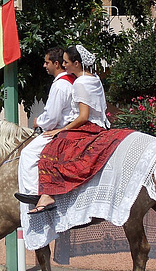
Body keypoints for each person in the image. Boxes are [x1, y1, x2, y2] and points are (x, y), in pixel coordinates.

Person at [30, 44, 132, 212]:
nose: (64, 66)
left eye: (66, 62)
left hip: (89, 126)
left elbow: (83, 116)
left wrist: (61, 130)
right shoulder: (95, 78)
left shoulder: (80, 83)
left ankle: (48, 194)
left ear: (76, 63)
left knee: (55, 147)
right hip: (101, 124)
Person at [15, 47, 75, 209]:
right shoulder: (71, 81)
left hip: (61, 129)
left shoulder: (60, 85)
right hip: (69, 127)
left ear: (56, 64)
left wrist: (38, 122)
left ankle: (36, 193)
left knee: (28, 153)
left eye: (46, 62)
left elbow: (52, 117)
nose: (44, 65)